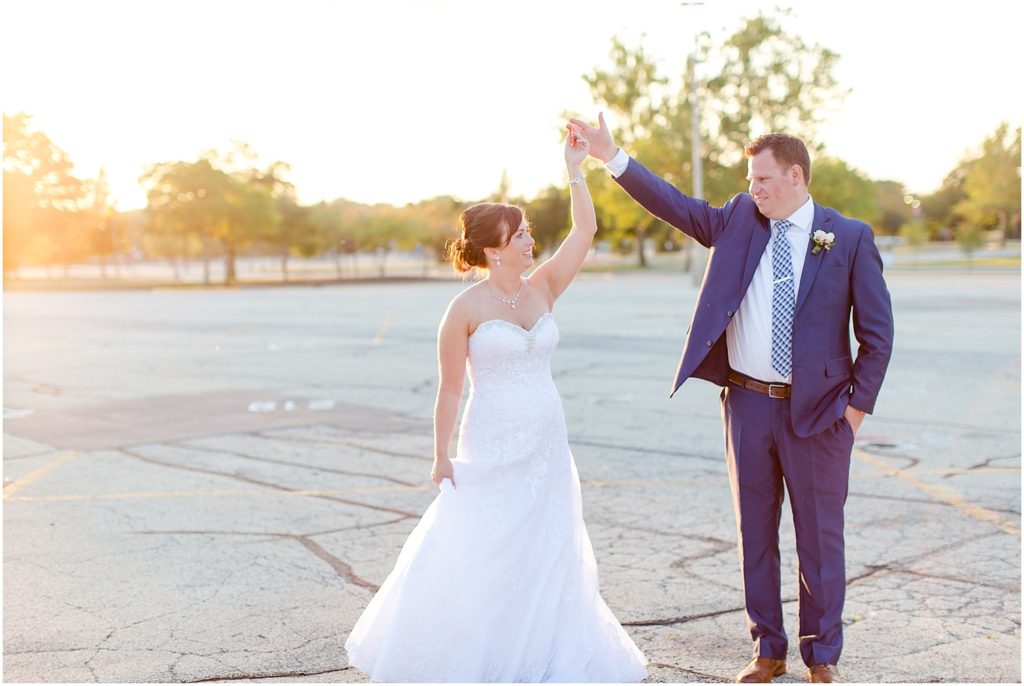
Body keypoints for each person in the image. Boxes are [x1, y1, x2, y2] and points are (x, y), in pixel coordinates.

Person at [568, 114, 894, 684]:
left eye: (763, 179)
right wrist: (612, 157)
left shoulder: (848, 237)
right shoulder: (739, 219)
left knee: (821, 540)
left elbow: (878, 335)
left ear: (795, 176)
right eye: (751, 180)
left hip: (820, 415)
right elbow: (674, 204)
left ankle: (822, 656)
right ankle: (768, 649)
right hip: (746, 406)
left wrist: (853, 413)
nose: (754, 189)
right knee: (755, 535)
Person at [343, 126, 648, 682]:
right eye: (520, 235)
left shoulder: (544, 287)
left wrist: (574, 170)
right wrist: (440, 454)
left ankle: (543, 654)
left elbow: (585, 229)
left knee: (546, 548)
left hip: (547, 444)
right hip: (492, 443)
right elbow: (450, 389)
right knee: (487, 547)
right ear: (492, 248)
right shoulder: (464, 309)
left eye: (529, 233)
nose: (531, 242)